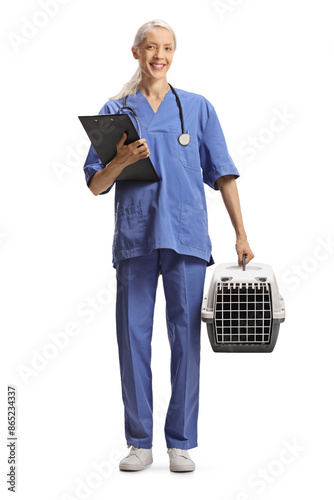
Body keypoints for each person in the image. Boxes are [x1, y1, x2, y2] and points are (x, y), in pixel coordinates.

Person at [82, 19, 254, 473]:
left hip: (186, 238)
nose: (161, 55)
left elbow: (223, 174)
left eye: (169, 48)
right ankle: (139, 442)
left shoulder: (196, 108)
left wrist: (241, 233)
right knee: (132, 339)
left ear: (173, 54)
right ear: (136, 52)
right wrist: (120, 159)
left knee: (186, 340)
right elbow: (96, 186)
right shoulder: (116, 110)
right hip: (137, 239)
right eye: (152, 47)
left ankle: (181, 442)